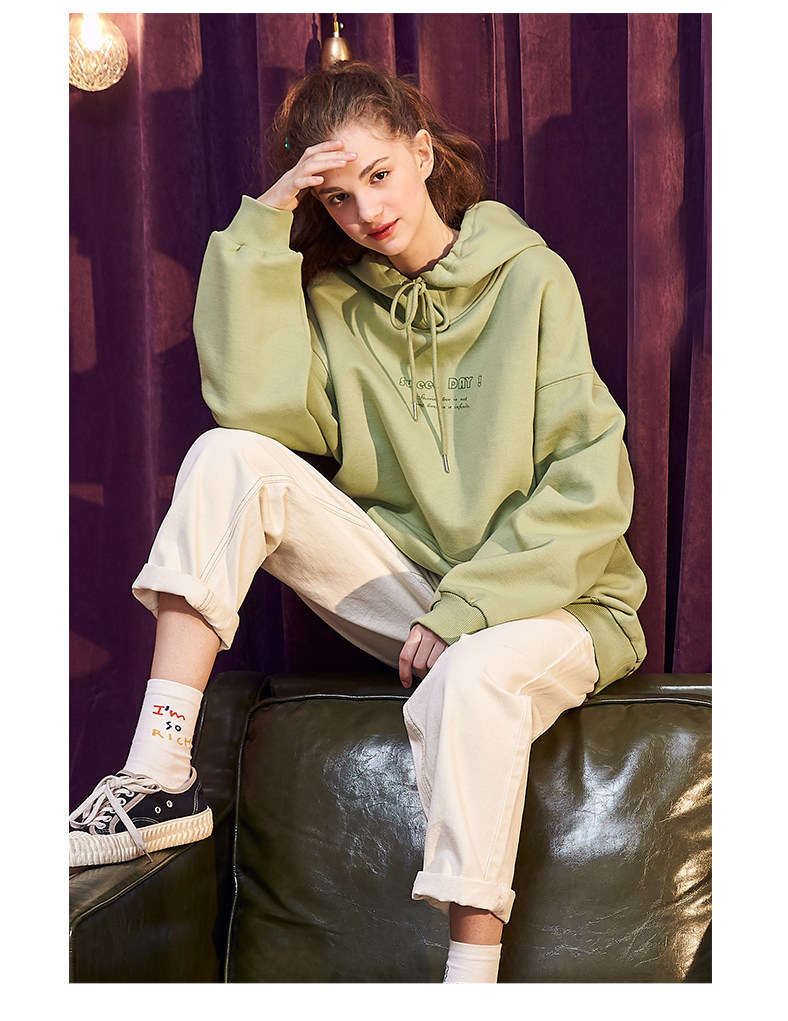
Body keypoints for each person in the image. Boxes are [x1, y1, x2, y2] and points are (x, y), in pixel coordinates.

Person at [69, 61, 647, 984]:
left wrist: (469, 608)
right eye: (337, 197)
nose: (366, 211)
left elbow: (589, 485)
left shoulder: (534, 280)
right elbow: (257, 417)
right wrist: (264, 228)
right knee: (225, 456)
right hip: (417, 597)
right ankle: (157, 770)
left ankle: (470, 981)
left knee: (471, 675)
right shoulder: (339, 301)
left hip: (554, 602)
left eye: (379, 174)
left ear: (423, 154)